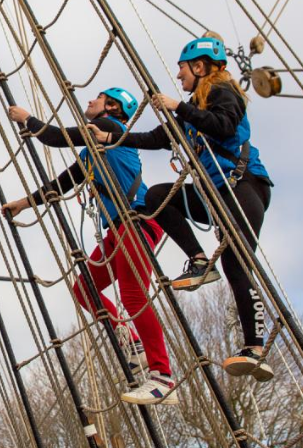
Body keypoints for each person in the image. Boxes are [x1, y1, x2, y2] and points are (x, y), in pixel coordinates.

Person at [92, 35, 274, 381]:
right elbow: (155, 139)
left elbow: (223, 125)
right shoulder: (191, 112)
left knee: (237, 261)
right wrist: (111, 139)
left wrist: (178, 106)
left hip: (243, 187)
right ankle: (200, 261)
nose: (179, 76)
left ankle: (255, 346)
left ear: (200, 66)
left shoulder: (224, 93)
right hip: (212, 195)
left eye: (182, 69)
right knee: (158, 195)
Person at [1, 87, 177, 405]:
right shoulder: (92, 153)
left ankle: (162, 376)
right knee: (84, 289)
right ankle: (130, 341)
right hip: (117, 230)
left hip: (136, 221)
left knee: (133, 294)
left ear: (112, 107)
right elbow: (63, 184)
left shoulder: (111, 129)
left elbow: (56, 137)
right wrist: (24, 204)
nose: (89, 102)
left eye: (97, 99)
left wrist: (28, 119)